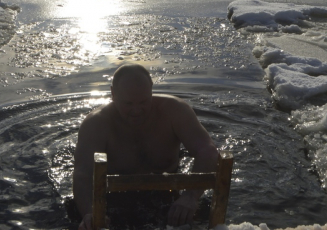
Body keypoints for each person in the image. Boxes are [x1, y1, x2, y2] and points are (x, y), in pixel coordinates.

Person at [72, 63, 219, 230]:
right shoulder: (96, 124)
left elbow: (208, 151)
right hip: (117, 200)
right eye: (128, 104)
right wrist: (90, 213)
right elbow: (83, 174)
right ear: (113, 94)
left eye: (143, 102)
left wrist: (191, 195)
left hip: (168, 194)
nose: (136, 110)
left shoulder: (175, 112)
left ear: (151, 90)